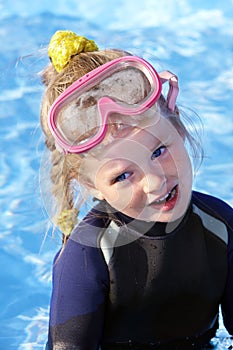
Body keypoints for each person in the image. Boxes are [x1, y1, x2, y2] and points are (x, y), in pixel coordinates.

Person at [40, 30, 233, 349]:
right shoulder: (88, 256)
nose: (156, 181)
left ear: (179, 128)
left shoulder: (221, 225)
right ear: (91, 185)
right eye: (123, 175)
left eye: (159, 151)